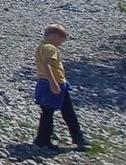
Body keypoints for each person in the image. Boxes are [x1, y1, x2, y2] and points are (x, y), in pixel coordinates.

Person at [33, 23, 90, 151]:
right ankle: (77, 138)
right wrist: (53, 82)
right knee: (67, 111)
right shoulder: (50, 48)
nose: (60, 44)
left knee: (48, 112)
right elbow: (48, 65)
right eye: (60, 40)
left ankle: (42, 139)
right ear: (53, 36)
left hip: (44, 82)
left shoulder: (40, 47)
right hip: (54, 84)